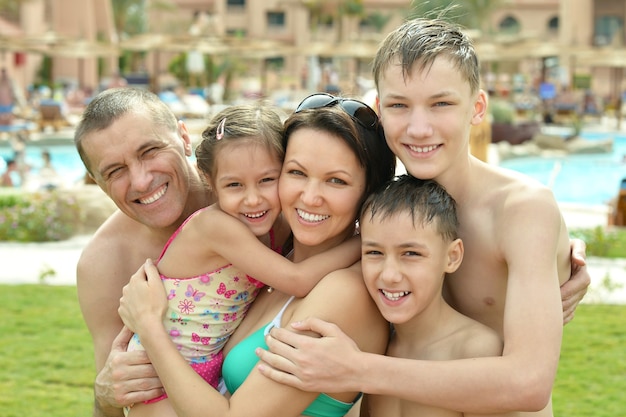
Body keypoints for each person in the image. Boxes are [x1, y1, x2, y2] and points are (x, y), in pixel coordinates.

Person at [256, 18, 587, 415]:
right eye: (399, 105)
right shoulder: (382, 207)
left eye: (441, 103)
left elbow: (529, 383)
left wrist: (357, 370)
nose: (418, 127)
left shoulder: (521, 211)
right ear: (380, 111)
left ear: (477, 107)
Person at [117, 97, 398, 417]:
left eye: (337, 180)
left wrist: (150, 328)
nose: (309, 196)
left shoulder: (345, 291)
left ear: (369, 192)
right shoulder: (276, 258)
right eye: (297, 172)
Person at [74, 87, 217, 417]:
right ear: (97, 183)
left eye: (150, 151)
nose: (140, 181)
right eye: (115, 171)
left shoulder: (249, 202)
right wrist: (106, 394)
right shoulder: (105, 263)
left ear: (183, 137)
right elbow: (113, 404)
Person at [358, 175, 514, 417]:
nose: (389, 275)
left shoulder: (474, 350)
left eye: (410, 253)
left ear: (452, 257)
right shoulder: (373, 344)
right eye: (374, 252)